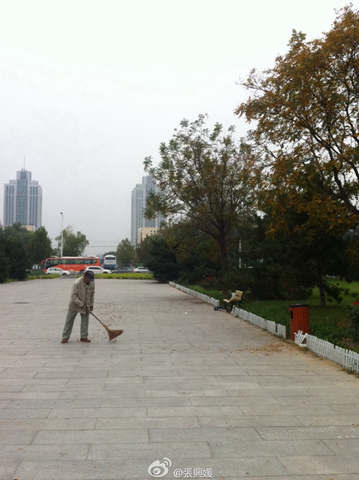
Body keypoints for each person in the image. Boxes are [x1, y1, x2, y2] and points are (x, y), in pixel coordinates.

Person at [61, 270, 95, 344]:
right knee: (69, 321)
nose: (89, 281)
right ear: (84, 277)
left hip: (86, 305)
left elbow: (92, 295)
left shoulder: (92, 283)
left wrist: (91, 305)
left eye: (91, 279)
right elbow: (73, 296)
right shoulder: (77, 282)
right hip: (74, 305)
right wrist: (81, 304)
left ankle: (84, 337)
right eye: (88, 279)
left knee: (85, 321)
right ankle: (65, 337)